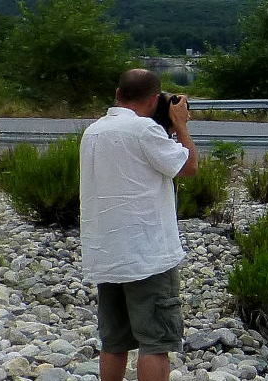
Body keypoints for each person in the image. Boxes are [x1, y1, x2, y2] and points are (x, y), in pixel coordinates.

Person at [80, 68, 198, 381]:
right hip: (147, 255)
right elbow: (188, 166)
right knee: (155, 342)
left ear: (118, 94)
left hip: (107, 251)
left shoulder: (92, 131)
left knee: (115, 341)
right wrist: (180, 125)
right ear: (154, 99)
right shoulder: (145, 130)